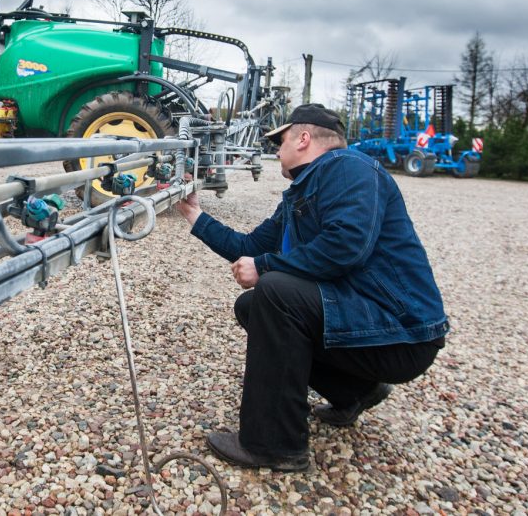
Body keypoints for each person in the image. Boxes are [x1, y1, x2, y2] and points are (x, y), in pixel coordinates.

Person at [175, 103, 448, 471]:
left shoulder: (349, 167)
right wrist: (193, 213)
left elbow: (346, 245)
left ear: (304, 138)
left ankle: (274, 444)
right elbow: (247, 250)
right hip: (368, 321)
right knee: (253, 306)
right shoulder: (300, 193)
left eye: (280, 139)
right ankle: (355, 391)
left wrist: (266, 268)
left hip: (401, 332)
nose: (276, 149)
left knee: (275, 292)